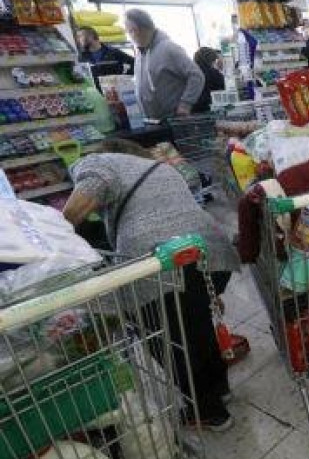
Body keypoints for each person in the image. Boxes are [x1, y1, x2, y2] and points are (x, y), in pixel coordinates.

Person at [62, 138, 241, 432]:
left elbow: (76, 209)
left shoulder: (101, 161)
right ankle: (219, 388)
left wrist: (54, 235)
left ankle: (209, 411)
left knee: (170, 339)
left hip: (161, 260)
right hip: (208, 248)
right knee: (198, 324)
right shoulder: (161, 167)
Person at [124, 9, 204, 120]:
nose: (130, 36)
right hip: (152, 121)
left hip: (174, 120)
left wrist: (185, 104)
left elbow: (196, 75)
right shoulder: (140, 53)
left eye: (131, 31)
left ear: (141, 29)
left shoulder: (169, 48)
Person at [192, 47, 225, 113]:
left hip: (192, 110)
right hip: (210, 110)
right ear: (212, 60)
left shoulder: (191, 73)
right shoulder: (215, 74)